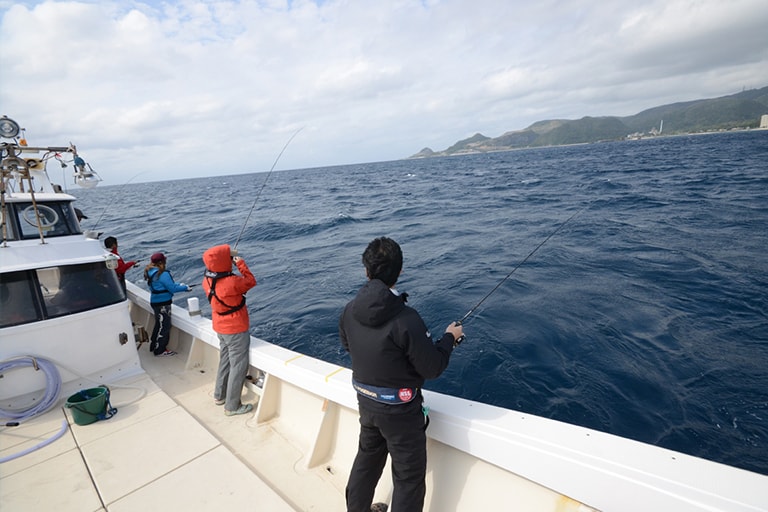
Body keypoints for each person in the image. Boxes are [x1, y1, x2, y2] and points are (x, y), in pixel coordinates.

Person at [339, 237, 464, 512]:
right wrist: (449, 339)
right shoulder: (407, 319)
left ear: (366, 270)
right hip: (402, 415)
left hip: (367, 405)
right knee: (408, 478)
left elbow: (348, 345)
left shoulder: (349, 310)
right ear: (400, 271)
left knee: (367, 460)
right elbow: (432, 368)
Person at [202, 244, 257, 416]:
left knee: (225, 361)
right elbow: (250, 281)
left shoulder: (207, 281)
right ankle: (232, 406)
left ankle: (219, 395)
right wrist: (240, 263)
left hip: (220, 327)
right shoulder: (231, 282)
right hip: (235, 329)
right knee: (238, 366)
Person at [144, 252, 191, 356]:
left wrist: (180, 285)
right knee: (164, 326)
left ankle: (153, 346)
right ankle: (159, 350)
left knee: (158, 324)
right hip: (163, 304)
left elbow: (164, 285)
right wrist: (185, 288)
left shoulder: (150, 271)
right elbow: (172, 288)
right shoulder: (163, 273)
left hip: (155, 301)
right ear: (162, 261)